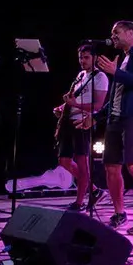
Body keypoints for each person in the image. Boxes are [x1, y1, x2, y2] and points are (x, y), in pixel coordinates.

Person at [79, 20, 133, 234]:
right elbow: (115, 97)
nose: (112, 36)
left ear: (131, 33)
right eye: (111, 32)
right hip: (115, 118)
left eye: (116, 32)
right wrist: (96, 117)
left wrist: (117, 72)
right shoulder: (123, 60)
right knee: (111, 166)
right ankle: (119, 213)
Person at [54, 44, 108, 211]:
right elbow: (74, 99)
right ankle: (94, 190)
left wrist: (75, 104)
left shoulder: (100, 77)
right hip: (69, 122)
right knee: (63, 161)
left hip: (82, 122)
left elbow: (98, 105)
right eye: (80, 57)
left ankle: (79, 202)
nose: (82, 61)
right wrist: (63, 108)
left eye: (86, 57)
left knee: (82, 162)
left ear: (94, 58)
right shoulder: (80, 75)